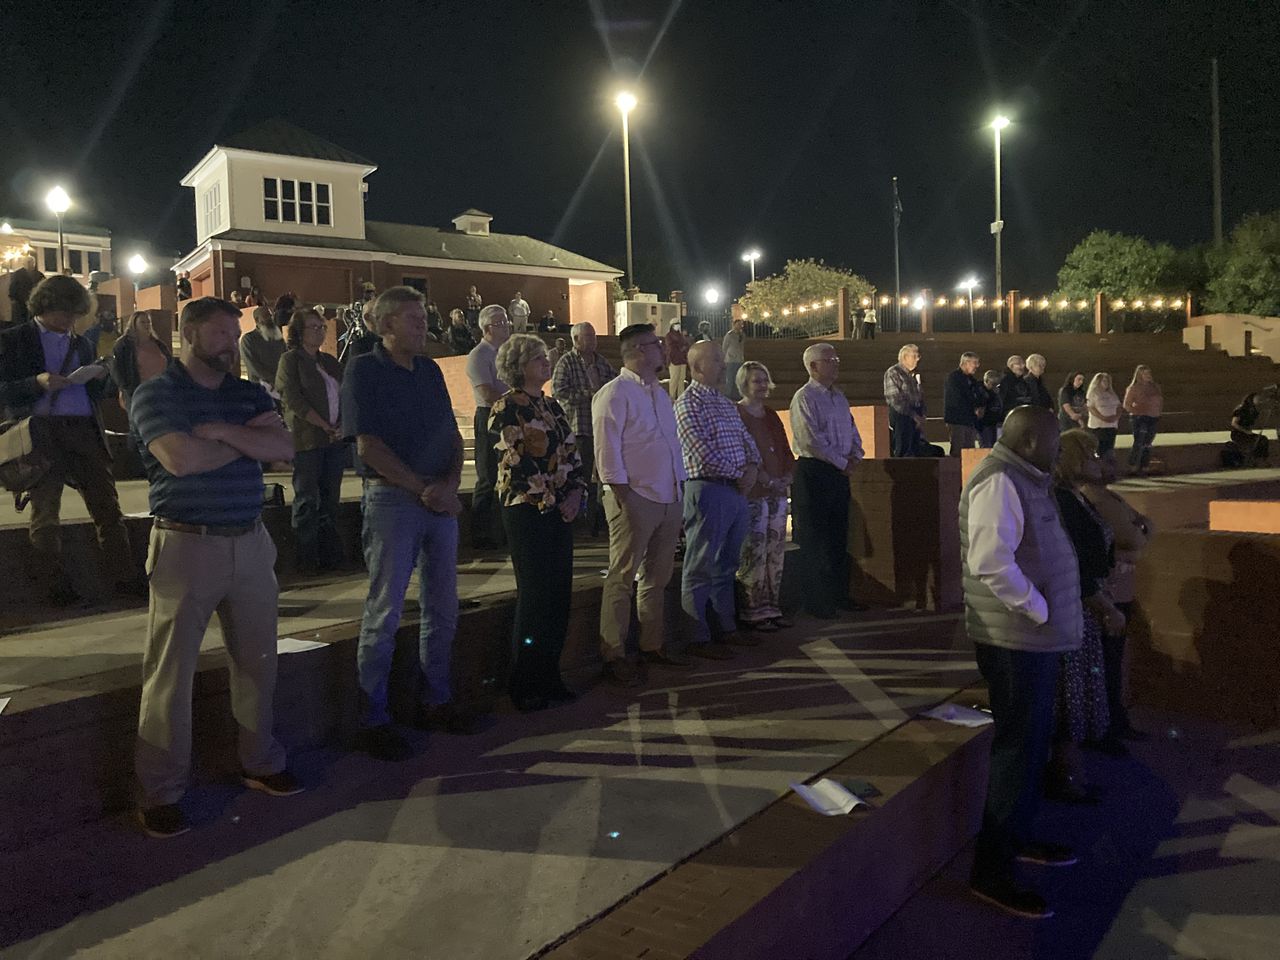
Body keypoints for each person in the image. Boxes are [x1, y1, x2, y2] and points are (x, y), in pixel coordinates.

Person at [131, 295, 301, 838]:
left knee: (259, 661)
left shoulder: (246, 391)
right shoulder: (157, 393)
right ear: (190, 334)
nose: (232, 342)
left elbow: (285, 445)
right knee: (170, 674)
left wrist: (224, 433)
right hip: (187, 545)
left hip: (250, 543)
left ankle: (261, 761)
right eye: (221, 333)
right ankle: (159, 791)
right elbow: (181, 459)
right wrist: (247, 443)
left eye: (235, 332)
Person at [961, 405, 1082, 920]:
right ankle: (992, 872)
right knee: (1018, 751)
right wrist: (1037, 608)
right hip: (1015, 640)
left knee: (1031, 750)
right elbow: (989, 560)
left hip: (1031, 638)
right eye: (1055, 440)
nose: (1061, 448)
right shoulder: (1000, 480)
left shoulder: (1025, 476)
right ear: (1030, 440)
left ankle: (1019, 838)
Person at [342, 286, 472, 762]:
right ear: (385, 324)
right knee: (385, 612)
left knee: (444, 608)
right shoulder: (364, 370)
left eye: (424, 317)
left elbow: (453, 435)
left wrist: (451, 484)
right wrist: (424, 488)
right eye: (413, 319)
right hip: (394, 500)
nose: (423, 325)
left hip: (437, 499)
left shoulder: (431, 371)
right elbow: (368, 446)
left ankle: (435, 699)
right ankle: (372, 718)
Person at [0, 275, 140, 605]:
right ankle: (54, 586)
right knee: (46, 512)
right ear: (45, 306)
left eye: (76, 315)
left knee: (107, 506)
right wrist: (37, 382)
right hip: (41, 431)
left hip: (84, 429)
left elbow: (93, 393)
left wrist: (100, 376)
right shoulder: (14, 340)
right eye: (65, 314)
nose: (70, 322)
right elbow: (4, 390)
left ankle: (124, 578)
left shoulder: (81, 343)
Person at [490, 334, 586, 711]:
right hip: (527, 510)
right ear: (518, 364)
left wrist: (575, 495)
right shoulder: (507, 406)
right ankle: (525, 681)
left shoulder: (552, 404)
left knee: (559, 595)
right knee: (534, 596)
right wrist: (551, 501)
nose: (546, 362)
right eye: (537, 357)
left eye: (545, 357)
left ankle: (550, 675)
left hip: (559, 509)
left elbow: (571, 454)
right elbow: (516, 460)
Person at [593, 323, 689, 685]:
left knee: (657, 577)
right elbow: (607, 453)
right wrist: (624, 497)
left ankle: (652, 646)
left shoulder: (658, 393)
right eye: (655, 344)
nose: (662, 349)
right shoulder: (614, 394)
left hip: (668, 495)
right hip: (635, 497)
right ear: (636, 351)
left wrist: (677, 490)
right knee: (621, 577)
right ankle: (614, 653)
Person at [674, 341, 761, 659]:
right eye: (716, 360)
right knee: (699, 566)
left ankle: (726, 629)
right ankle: (698, 636)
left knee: (727, 565)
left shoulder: (725, 403)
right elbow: (699, 451)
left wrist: (751, 467)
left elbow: (747, 439)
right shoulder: (687, 404)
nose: (724, 366)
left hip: (734, 491)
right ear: (697, 368)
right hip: (708, 489)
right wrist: (740, 473)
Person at [1049, 429, 1122, 802]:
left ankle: (1072, 774)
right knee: (1068, 697)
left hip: (1088, 604)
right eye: (1091, 454)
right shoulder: (1062, 501)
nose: (1098, 460)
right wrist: (1103, 604)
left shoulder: (1079, 498)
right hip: (1076, 607)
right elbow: (1072, 563)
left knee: (1080, 692)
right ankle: (1066, 780)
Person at [789, 342, 864, 619]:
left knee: (837, 536)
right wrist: (843, 462)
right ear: (813, 366)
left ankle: (838, 595)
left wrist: (856, 454)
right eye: (829, 359)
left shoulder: (838, 396)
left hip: (839, 472)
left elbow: (852, 428)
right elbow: (811, 439)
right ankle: (817, 601)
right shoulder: (804, 397)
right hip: (815, 472)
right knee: (814, 538)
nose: (836, 363)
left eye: (836, 358)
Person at [1082, 456, 1153, 746]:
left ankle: (1113, 723)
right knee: (1106, 663)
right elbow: (1136, 537)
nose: (1107, 463)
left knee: (1111, 662)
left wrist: (1141, 530)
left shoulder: (1107, 496)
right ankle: (1107, 727)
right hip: (1108, 595)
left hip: (1117, 590)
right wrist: (1140, 533)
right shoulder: (1097, 500)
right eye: (1093, 456)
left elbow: (1146, 525)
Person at [275, 309, 346, 573]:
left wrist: (340, 425)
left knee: (330, 498)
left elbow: (344, 393)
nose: (319, 331)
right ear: (299, 332)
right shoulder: (290, 360)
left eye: (321, 327)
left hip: (333, 440)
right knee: (307, 498)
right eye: (313, 327)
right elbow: (292, 398)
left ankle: (330, 555)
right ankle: (307, 558)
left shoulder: (330, 362)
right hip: (307, 439)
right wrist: (323, 424)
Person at [735, 361, 794, 631]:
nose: (760, 385)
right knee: (754, 552)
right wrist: (765, 478)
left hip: (777, 492)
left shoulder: (770, 415)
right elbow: (743, 455)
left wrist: (786, 477)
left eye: (763, 380)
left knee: (775, 552)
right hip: (755, 493)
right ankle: (753, 610)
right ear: (744, 384)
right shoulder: (738, 414)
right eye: (755, 380)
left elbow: (783, 449)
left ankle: (772, 606)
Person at [552, 322, 616, 536]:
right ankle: (582, 523)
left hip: (603, 428)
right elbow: (559, 391)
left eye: (594, 335)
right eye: (588, 336)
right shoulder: (566, 362)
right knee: (582, 476)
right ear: (576, 339)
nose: (593, 339)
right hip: (580, 427)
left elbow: (615, 385)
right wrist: (589, 394)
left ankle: (600, 521)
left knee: (605, 476)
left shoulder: (602, 363)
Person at [465, 304, 512, 549]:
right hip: (489, 415)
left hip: (511, 414)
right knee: (487, 475)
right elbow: (486, 391)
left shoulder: (506, 353)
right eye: (500, 323)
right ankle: (481, 533)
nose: (506, 327)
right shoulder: (479, 355)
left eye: (506, 322)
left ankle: (503, 530)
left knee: (509, 472)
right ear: (486, 328)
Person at [112, 311, 173, 412]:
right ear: (134, 324)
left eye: (148, 322)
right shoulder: (124, 345)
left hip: (161, 393)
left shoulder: (158, 344)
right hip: (138, 393)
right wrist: (125, 389)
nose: (147, 325)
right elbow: (118, 370)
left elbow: (170, 364)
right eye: (143, 322)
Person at [883, 343, 926, 457]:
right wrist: (913, 415)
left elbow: (919, 396)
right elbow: (895, 399)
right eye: (914, 356)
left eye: (918, 356)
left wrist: (921, 414)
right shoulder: (894, 372)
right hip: (902, 417)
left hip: (914, 417)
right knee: (903, 451)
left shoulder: (912, 375)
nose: (917, 359)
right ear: (905, 357)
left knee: (916, 451)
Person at [1122, 365, 1163, 474]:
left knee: (1148, 443)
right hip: (1140, 418)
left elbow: (1159, 401)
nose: (1148, 376)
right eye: (1145, 374)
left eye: (1149, 373)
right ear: (1139, 375)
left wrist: (1158, 412)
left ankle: (1144, 466)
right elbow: (1127, 405)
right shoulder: (1134, 388)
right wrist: (1137, 411)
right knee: (1139, 442)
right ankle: (1132, 465)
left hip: (1153, 417)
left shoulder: (1155, 387)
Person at [943, 352, 985, 456]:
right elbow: (958, 398)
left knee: (969, 450)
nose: (976, 366)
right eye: (974, 363)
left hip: (969, 420)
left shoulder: (972, 380)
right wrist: (974, 406)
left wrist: (979, 406)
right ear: (965, 363)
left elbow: (978, 396)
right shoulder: (954, 378)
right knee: (958, 449)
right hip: (958, 419)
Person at [1226, 385, 1278, 466]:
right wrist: (1246, 431)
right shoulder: (1241, 409)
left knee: (1263, 439)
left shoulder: (1253, 411)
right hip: (1238, 434)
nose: (1258, 400)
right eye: (1256, 399)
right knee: (1257, 441)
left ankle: (1260, 459)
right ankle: (1254, 460)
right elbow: (1234, 423)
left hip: (1247, 433)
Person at [239, 305, 286, 387]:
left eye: (270, 315)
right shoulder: (248, 339)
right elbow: (254, 367)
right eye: (266, 316)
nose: (270, 318)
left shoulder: (278, 337)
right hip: (259, 388)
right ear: (257, 320)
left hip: (280, 385)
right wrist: (274, 380)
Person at [1085, 372, 1121, 457]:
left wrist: (1116, 417)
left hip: (1111, 426)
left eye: (1107, 381)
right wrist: (1103, 417)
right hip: (1099, 427)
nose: (1106, 383)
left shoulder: (1112, 394)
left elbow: (1119, 406)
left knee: (1109, 449)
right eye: (1103, 381)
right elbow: (1091, 407)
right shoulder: (1093, 393)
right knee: (1099, 449)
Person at [7, 255, 44, 327]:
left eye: (33, 262)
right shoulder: (18, 274)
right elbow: (13, 287)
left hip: (34, 302)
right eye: (29, 262)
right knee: (21, 322)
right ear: (24, 263)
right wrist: (13, 298)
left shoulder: (38, 275)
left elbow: (43, 287)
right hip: (20, 303)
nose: (32, 264)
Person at [997, 356, 1033, 421]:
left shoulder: (1024, 382)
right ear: (1011, 366)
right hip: (1011, 418)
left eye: (1023, 363)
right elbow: (1001, 401)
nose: (1022, 366)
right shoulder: (1005, 382)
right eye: (1019, 364)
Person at [721, 316, 746, 400]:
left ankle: (736, 395)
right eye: (738, 324)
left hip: (739, 359)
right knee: (730, 378)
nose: (739, 326)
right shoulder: (729, 335)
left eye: (741, 324)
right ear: (734, 325)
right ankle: (727, 395)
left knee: (737, 378)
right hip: (730, 360)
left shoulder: (742, 335)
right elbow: (724, 347)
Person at [664, 323, 690, 399]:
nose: (678, 326)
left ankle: (680, 397)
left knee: (681, 379)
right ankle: (671, 398)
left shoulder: (681, 336)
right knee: (674, 379)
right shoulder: (669, 336)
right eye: (676, 324)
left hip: (682, 360)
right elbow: (671, 347)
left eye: (679, 324)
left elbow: (686, 344)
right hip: (674, 360)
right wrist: (680, 348)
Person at [979, 370, 1003, 448]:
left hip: (994, 422)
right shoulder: (980, 391)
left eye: (997, 384)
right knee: (986, 445)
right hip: (984, 423)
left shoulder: (995, 392)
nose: (994, 386)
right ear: (986, 381)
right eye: (993, 384)